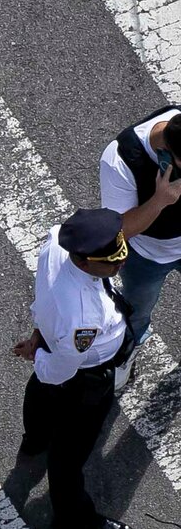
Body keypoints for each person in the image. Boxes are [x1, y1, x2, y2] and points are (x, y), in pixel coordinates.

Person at [13, 207, 147, 529]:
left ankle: (34, 441)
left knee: (40, 397)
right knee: (70, 454)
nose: (120, 264)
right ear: (85, 263)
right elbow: (64, 368)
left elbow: (45, 300)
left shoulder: (58, 242)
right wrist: (40, 358)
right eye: (112, 263)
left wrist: (39, 337)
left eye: (120, 254)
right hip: (83, 377)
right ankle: (72, 517)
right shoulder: (83, 318)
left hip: (53, 341)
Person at [98, 103, 181, 348]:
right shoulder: (121, 160)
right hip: (146, 257)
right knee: (137, 313)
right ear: (166, 155)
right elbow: (118, 230)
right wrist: (159, 201)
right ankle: (129, 348)